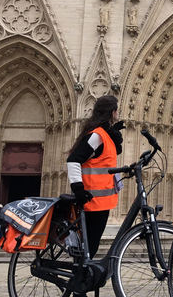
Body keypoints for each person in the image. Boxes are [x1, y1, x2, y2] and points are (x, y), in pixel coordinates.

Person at [66, 95, 125, 259]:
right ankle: (79, 280)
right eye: (117, 110)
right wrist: (78, 188)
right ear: (113, 112)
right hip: (91, 200)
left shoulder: (104, 135)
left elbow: (105, 161)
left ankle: (83, 279)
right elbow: (73, 160)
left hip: (101, 202)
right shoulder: (97, 135)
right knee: (89, 246)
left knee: (91, 246)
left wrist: (114, 135)